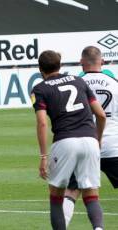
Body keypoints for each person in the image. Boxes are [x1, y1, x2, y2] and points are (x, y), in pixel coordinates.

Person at [31, 50, 106, 230]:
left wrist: (43, 156)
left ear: (40, 69)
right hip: (90, 140)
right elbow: (101, 115)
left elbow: (42, 123)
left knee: (56, 196)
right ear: (60, 65)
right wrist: (98, 139)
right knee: (91, 194)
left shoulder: (39, 89)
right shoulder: (78, 81)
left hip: (65, 141)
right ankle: (99, 228)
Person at [63, 46, 118, 227]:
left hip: (84, 143)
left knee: (72, 191)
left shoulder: (76, 84)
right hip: (113, 145)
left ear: (81, 62)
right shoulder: (115, 83)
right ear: (102, 61)